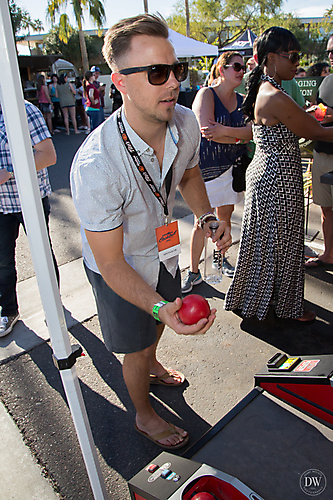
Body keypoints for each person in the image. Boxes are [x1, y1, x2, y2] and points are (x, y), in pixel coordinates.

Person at [70, 14, 231, 449]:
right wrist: (160, 310)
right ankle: (143, 414)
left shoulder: (182, 121)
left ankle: (155, 361)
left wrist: (205, 217)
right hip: (119, 266)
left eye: (176, 70)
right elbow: (110, 262)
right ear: (119, 81)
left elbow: (190, 173)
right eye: (157, 72)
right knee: (137, 347)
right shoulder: (96, 164)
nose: (174, 82)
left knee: (156, 329)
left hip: (163, 249)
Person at [225, 26, 333, 322]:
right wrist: (318, 121)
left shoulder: (268, 89)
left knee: (266, 241)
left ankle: (257, 300)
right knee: (283, 243)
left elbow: (299, 122)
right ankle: (286, 308)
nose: (298, 64)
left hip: (268, 173)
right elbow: (316, 132)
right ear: (272, 58)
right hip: (278, 177)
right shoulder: (274, 94)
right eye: (294, 57)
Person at [182, 52, 252, 293]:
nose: (241, 71)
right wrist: (237, 136)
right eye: (236, 66)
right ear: (222, 70)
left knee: (225, 219)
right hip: (207, 171)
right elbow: (205, 130)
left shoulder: (243, 99)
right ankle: (193, 272)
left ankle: (220, 260)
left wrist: (223, 131)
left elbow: (252, 132)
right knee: (201, 223)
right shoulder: (207, 94)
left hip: (233, 170)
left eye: (243, 67)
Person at [0, 99, 59, 337]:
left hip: (30, 199)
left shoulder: (23, 109)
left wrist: (10, 172)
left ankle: (53, 306)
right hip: (2, 205)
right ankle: (8, 311)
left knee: (42, 254)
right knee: (3, 261)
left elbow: (49, 156)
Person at [305, 35, 333, 269]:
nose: (331, 56)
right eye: (329, 51)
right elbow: (321, 112)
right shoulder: (325, 82)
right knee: (325, 209)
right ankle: (328, 254)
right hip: (322, 153)